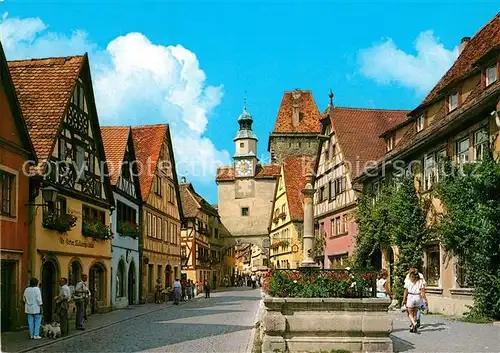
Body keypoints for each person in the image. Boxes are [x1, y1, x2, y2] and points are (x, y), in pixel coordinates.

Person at [403, 268, 428, 333]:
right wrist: (425, 300)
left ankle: (414, 323)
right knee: (415, 313)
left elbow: (406, 291)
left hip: (410, 297)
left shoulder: (408, 282)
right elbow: (423, 292)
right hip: (418, 297)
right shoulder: (420, 282)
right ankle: (413, 328)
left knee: (410, 313)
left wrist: (404, 299)